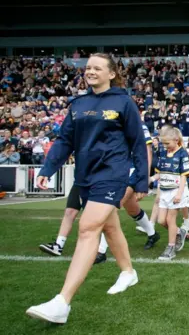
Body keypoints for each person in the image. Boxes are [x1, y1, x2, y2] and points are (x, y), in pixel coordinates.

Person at [26, 53, 148, 324]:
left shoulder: (124, 102)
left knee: (88, 227)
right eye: (88, 67)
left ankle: (62, 302)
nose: (90, 71)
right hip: (85, 175)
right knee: (109, 226)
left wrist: (141, 179)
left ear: (112, 73)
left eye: (97, 67)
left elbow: (138, 143)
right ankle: (128, 272)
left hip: (112, 173)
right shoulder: (78, 104)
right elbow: (64, 140)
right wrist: (47, 169)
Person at [95, 121, 159, 264]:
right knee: (132, 208)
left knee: (112, 207)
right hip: (117, 171)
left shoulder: (138, 125)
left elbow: (147, 152)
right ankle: (152, 234)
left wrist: (144, 177)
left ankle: (101, 251)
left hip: (132, 171)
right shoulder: (111, 124)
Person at [149, 127, 189, 260]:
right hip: (165, 191)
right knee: (161, 221)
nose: (165, 146)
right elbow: (160, 173)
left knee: (170, 219)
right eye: (163, 143)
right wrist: (150, 179)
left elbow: (184, 176)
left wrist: (179, 194)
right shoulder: (162, 152)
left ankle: (171, 248)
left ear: (176, 140)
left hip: (177, 191)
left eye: (167, 143)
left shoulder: (182, 153)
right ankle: (179, 232)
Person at [38, 185, 82, 256]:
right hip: (80, 181)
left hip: (99, 182)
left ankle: (101, 250)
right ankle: (58, 246)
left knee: (97, 215)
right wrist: (44, 174)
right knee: (69, 212)